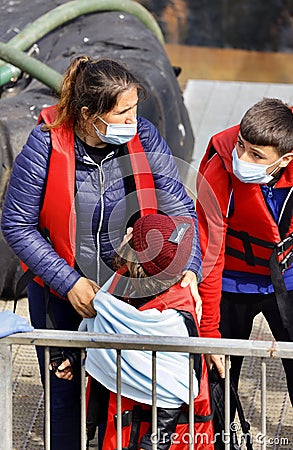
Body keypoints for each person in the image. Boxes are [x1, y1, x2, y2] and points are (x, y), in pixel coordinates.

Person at [1, 56, 202, 450]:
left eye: (134, 109)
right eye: (122, 112)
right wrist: (69, 282)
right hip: (59, 293)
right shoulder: (44, 144)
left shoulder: (143, 136)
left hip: (129, 293)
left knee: (125, 391)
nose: (132, 120)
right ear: (88, 115)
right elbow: (17, 224)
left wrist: (189, 267)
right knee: (64, 399)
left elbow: (179, 209)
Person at [56, 214, 214, 450]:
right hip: (121, 424)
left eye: (133, 234)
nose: (128, 229)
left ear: (135, 260)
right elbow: (105, 337)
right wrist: (77, 356)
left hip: (160, 437)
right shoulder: (122, 285)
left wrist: (154, 443)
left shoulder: (171, 317)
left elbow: (174, 386)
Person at [196, 97, 293, 408]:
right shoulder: (219, 172)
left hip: (287, 280)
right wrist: (209, 330)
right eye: (240, 146)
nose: (241, 158)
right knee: (219, 382)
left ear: (285, 159)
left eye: (256, 155)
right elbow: (209, 257)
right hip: (229, 282)